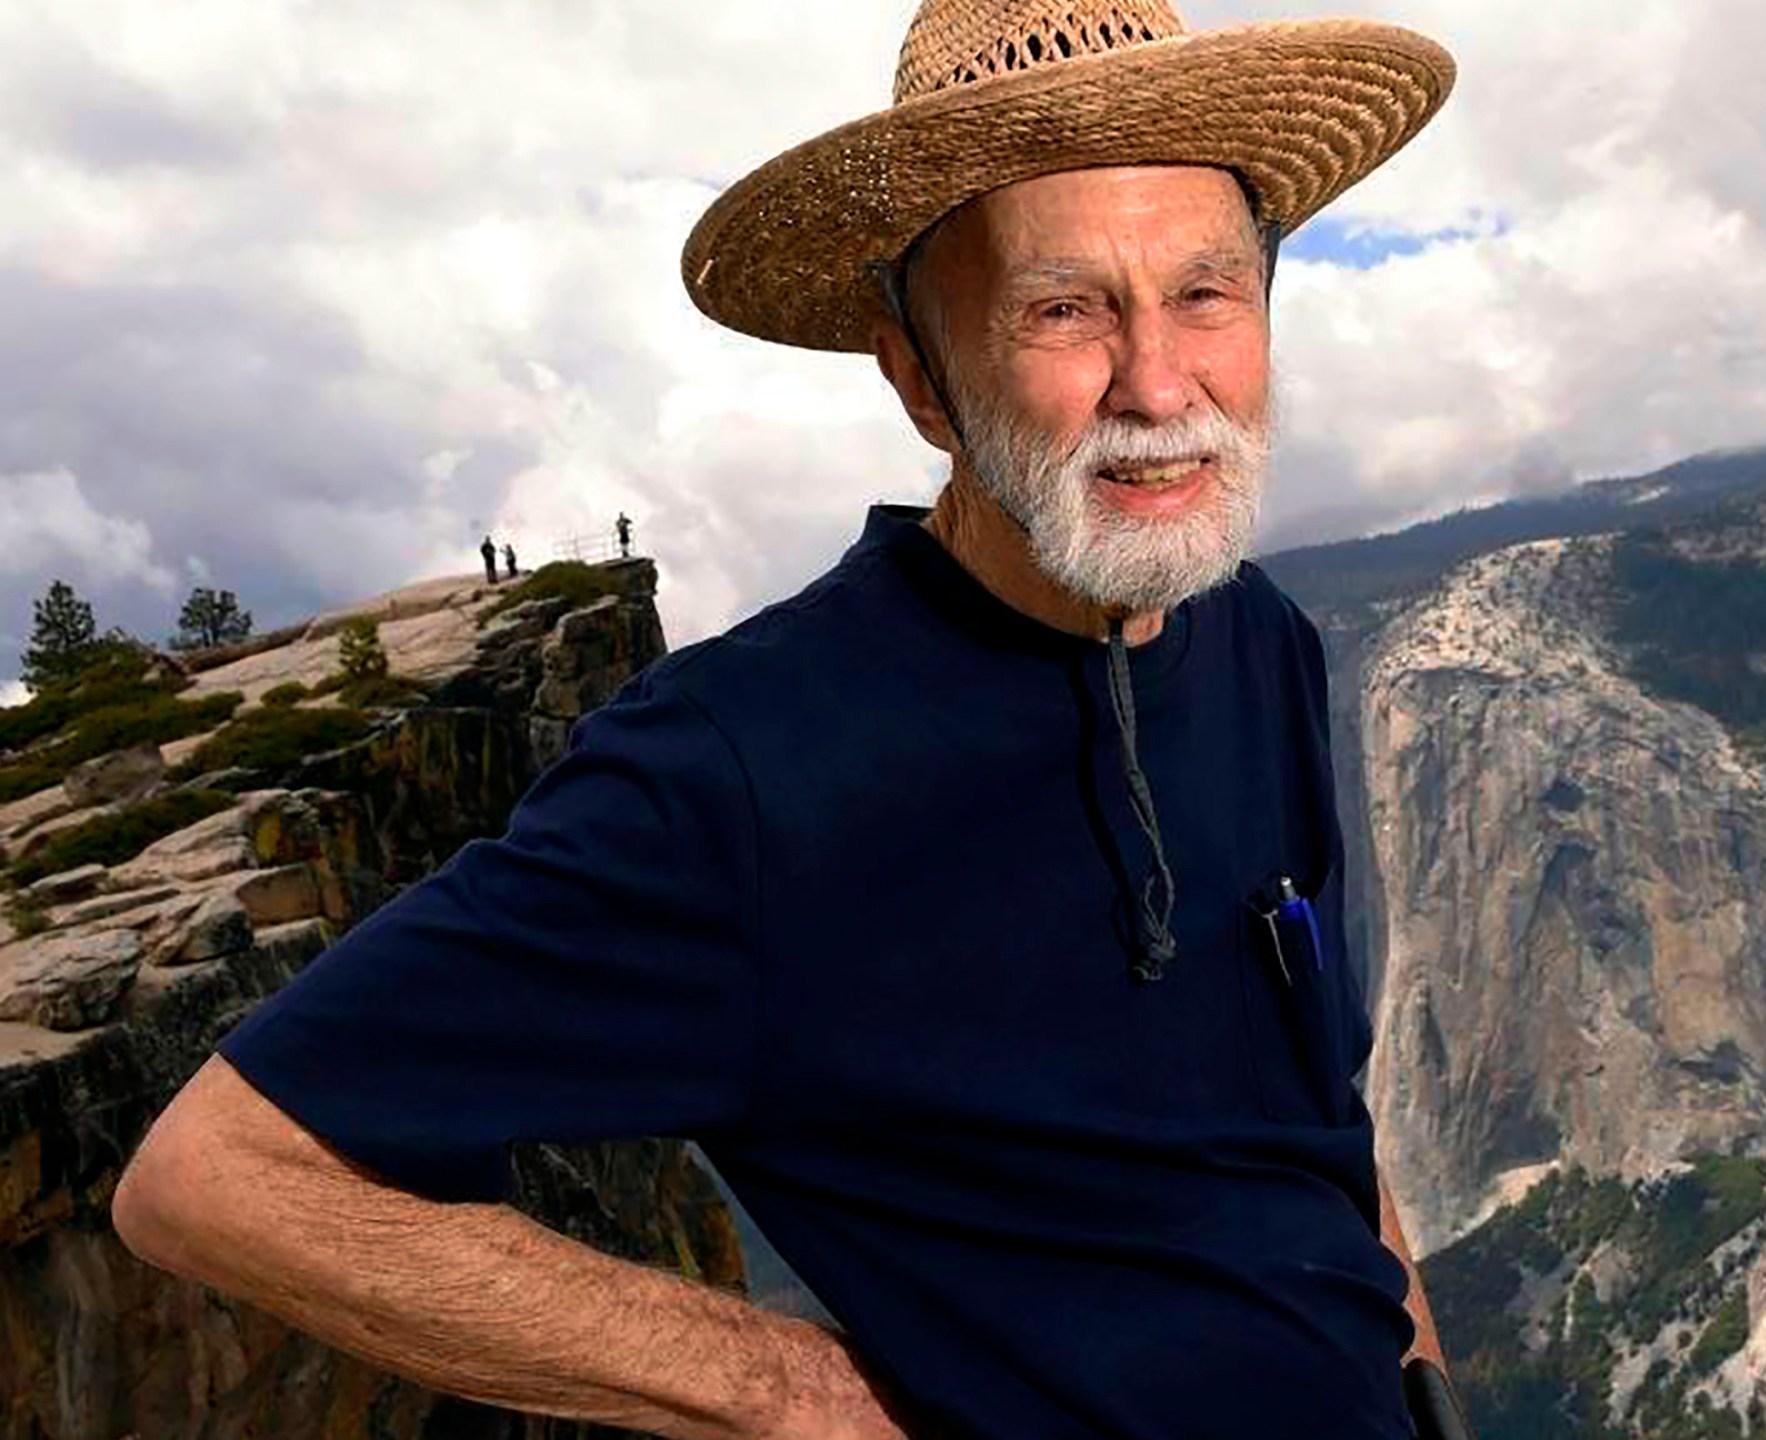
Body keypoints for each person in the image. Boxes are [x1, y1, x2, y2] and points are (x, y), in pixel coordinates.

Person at [113, 3, 1459, 1438]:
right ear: (917, 377)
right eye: (1062, 310)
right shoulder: (746, 767)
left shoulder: (1256, 636)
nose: (1158, 387)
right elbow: (214, 1177)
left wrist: (1427, 1382)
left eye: (1205, 294)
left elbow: (1324, 1120)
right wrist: (789, 1395)